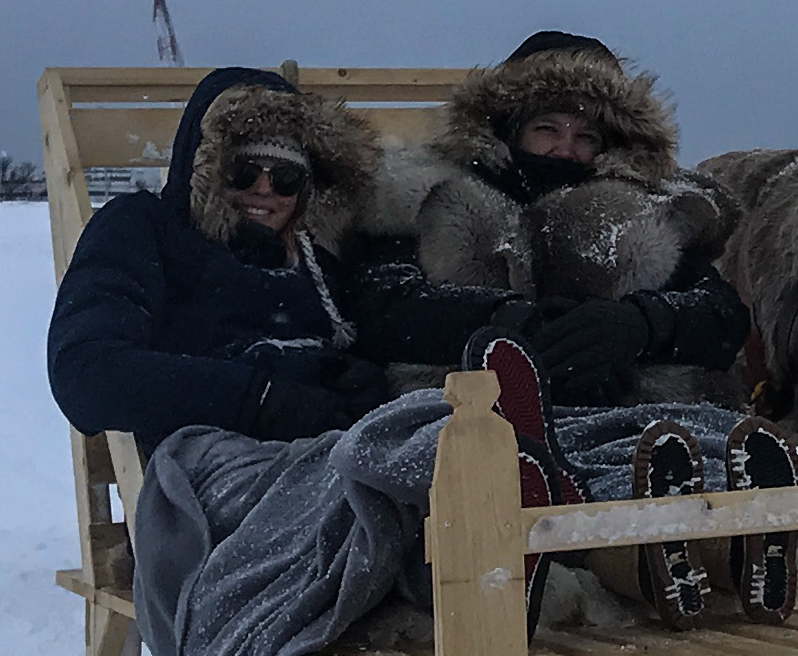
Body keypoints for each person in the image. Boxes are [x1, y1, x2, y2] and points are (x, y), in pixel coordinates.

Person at [46, 67, 487, 445]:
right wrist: (258, 400)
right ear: (207, 169)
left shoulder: (315, 262)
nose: (263, 190)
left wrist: (502, 320)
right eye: (244, 172)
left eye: (286, 178)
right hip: (210, 451)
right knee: (387, 486)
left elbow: (391, 316)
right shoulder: (145, 229)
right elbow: (85, 372)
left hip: (335, 450)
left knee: (443, 448)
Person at [386, 29, 750, 408]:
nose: (565, 149)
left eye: (586, 136)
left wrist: (639, 326)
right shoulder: (433, 191)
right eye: (547, 129)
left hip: (625, 415)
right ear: (510, 128)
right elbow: (383, 302)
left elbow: (721, 314)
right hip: (462, 414)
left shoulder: (654, 208)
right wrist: (510, 323)